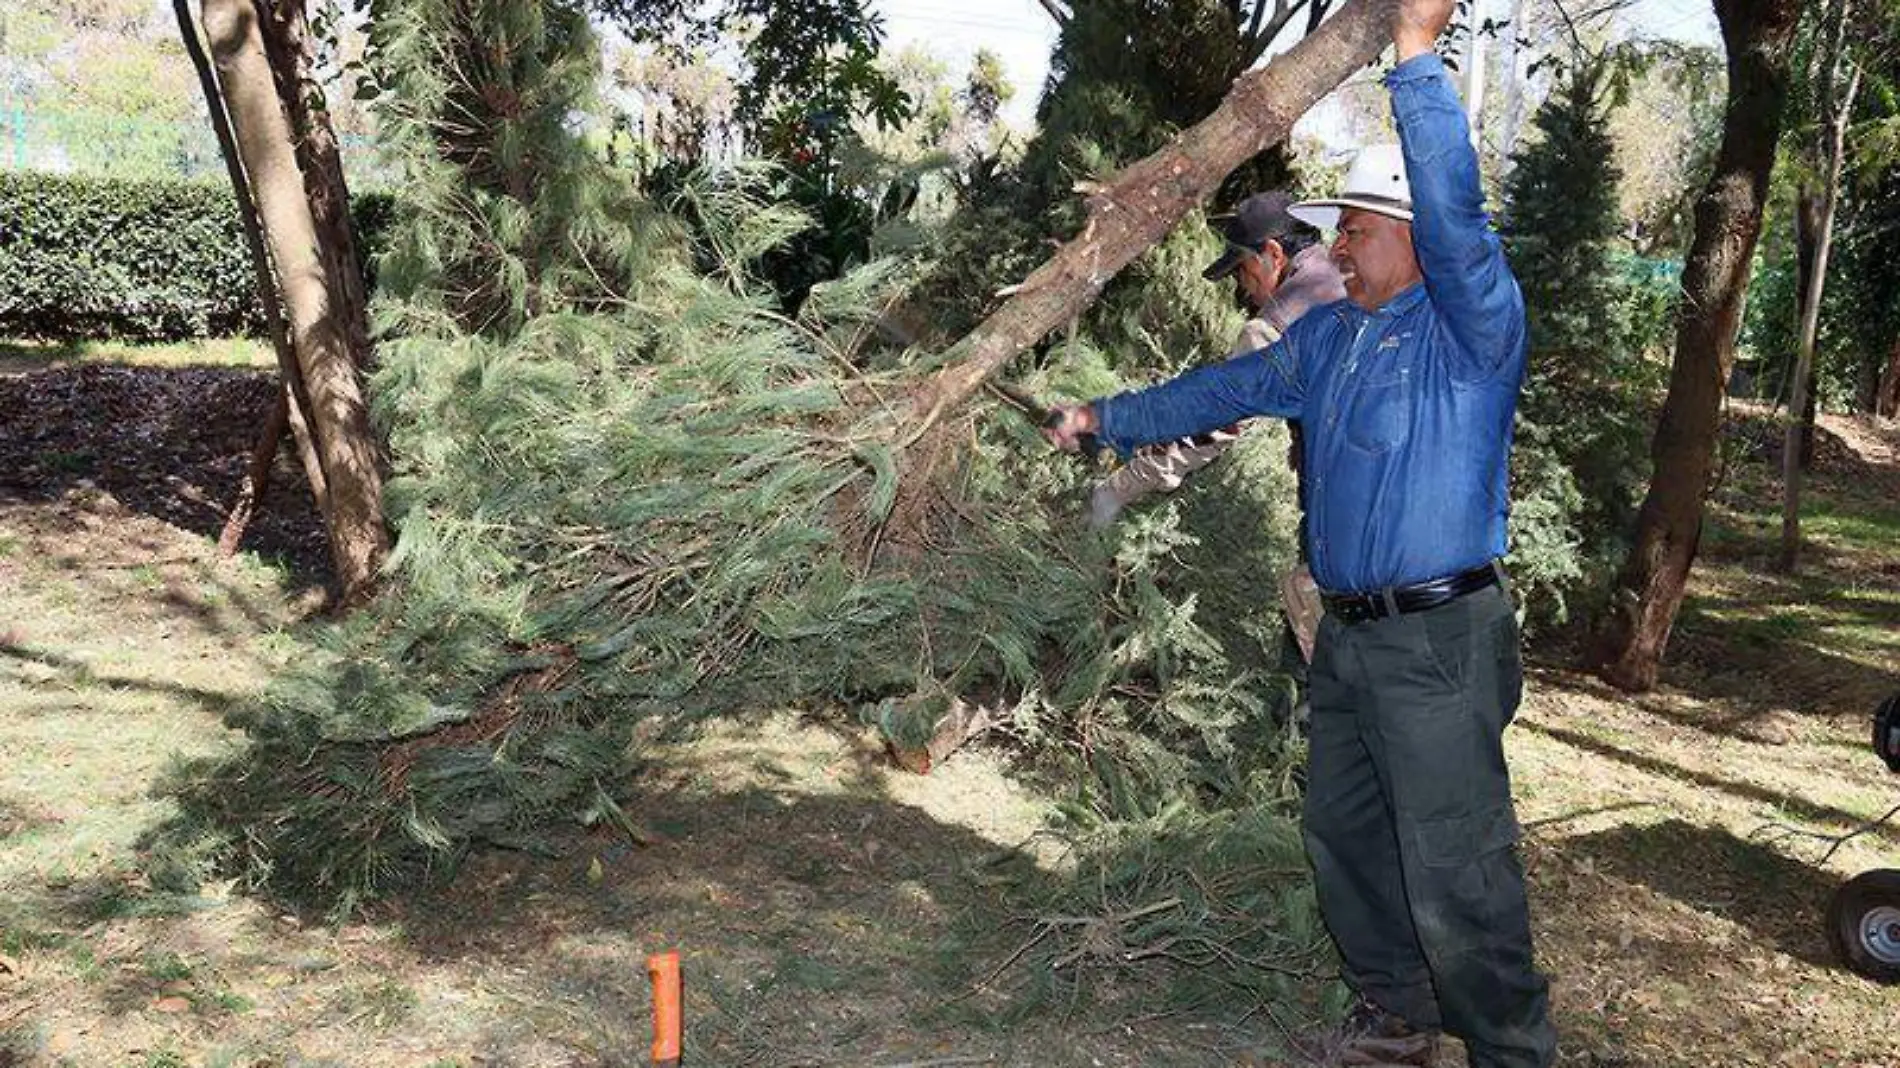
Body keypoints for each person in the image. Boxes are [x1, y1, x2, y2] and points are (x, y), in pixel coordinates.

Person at [1041, 1, 1557, 1065]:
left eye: (1358, 229)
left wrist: (1415, 53)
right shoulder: (1330, 340)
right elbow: (1221, 388)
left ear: (1415, 242)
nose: (1340, 247)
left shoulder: (1473, 327)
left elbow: (1458, 211)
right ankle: (1396, 1014)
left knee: (1456, 866)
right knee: (1348, 839)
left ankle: (1513, 1051)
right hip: (1351, 638)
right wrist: (1102, 419)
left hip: (1437, 642)